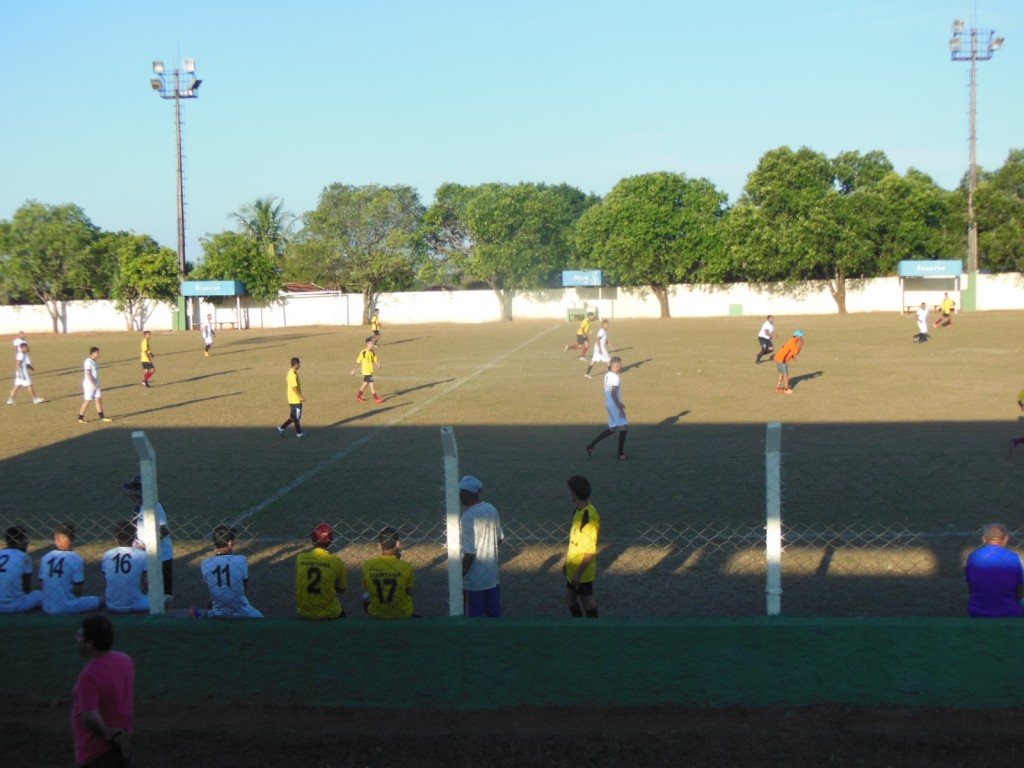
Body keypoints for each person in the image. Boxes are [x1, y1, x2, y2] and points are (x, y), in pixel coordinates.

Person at [72, 615, 134, 768]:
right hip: (123, 742)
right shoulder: (125, 660)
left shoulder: (89, 675)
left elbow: (90, 717)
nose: (76, 639)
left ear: (89, 643)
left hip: (96, 750)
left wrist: (108, 735)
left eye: (79, 636)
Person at [459, 475, 504, 618]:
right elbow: (499, 539)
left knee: (475, 617)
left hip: (474, 580)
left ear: (467, 493)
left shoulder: (467, 516)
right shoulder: (490, 508)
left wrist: (459, 576)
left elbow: (470, 554)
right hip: (491, 574)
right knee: (494, 614)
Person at [123, 477, 174, 603]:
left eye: (133, 491)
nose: (131, 495)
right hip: (147, 557)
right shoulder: (138, 508)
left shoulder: (155, 507)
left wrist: (147, 545)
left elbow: (164, 531)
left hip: (161, 557)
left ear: (140, 493)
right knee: (149, 591)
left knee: (164, 594)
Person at [197, 525, 263, 618]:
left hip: (217, 613)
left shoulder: (205, 564)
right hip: (242, 612)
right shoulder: (241, 560)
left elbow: (214, 587)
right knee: (262, 619)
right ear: (230, 542)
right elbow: (244, 588)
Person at [39, 523, 103, 615]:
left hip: (46, 606)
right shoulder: (76, 558)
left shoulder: (46, 557)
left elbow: (42, 586)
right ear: (72, 539)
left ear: (57, 539)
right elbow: (77, 590)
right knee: (100, 601)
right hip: (68, 607)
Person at [965, 523, 1024, 618]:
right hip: (1009, 612)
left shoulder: (973, 557)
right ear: (1006, 538)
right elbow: (1020, 591)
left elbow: (971, 587)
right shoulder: (1014, 558)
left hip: (977, 612)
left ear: (984, 539)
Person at [564, 475, 600, 618]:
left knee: (587, 600)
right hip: (573, 567)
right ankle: (580, 626)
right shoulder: (578, 511)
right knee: (570, 599)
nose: (569, 494)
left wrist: (578, 574)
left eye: (571, 491)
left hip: (582, 572)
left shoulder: (589, 517)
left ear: (576, 494)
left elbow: (589, 551)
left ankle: (593, 629)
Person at [295, 523, 348, 620]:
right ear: (331, 540)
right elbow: (342, 589)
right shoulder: (336, 561)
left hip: (305, 611)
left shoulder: (301, 558)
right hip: (330, 611)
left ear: (313, 539)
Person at [361, 526, 415, 619]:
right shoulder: (406, 566)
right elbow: (408, 591)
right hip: (402, 614)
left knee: (365, 595)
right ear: (398, 544)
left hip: (377, 614)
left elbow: (367, 588)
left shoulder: (368, 565)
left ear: (379, 545)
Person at [102, 521, 150, 614]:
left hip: (111, 604)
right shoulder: (142, 554)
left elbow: (107, 580)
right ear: (133, 538)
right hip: (135, 604)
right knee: (167, 599)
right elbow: (147, 583)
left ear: (116, 539)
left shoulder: (107, 554)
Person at [586, 356, 629, 460]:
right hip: (614, 405)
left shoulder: (608, 375)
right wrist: (620, 409)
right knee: (623, 427)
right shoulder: (616, 378)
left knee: (612, 429)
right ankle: (620, 454)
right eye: (620, 364)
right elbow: (614, 393)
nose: (621, 366)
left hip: (609, 404)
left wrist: (620, 402)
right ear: (617, 366)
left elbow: (611, 393)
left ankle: (591, 445)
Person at [0, 525, 43, 614]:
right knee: (41, 594)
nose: (27, 541)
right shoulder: (24, 557)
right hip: (14, 606)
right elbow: (26, 588)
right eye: (24, 539)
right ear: (17, 541)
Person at [78, 347, 112, 424]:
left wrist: (97, 384)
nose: (99, 354)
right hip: (90, 385)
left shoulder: (94, 361)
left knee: (98, 399)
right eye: (97, 353)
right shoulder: (88, 362)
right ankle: (80, 417)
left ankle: (102, 417)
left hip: (96, 384)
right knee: (88, 400)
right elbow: (88, 374)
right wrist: (93, 385)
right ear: (93, 353)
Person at [277, 357, 306, 438]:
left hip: (293, 399)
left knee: (294, 417)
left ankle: (282, 428)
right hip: (295, 399)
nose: (300, 365)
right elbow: (294, 387)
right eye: (299, 363)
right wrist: (300, 397)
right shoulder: (292, 374)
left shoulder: (292, 372)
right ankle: (298, 433)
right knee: (295, 417)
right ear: (295, 364)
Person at [352, 336, 384, 404]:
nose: (373, 345)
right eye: (371, 343)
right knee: (372, 384)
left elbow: (374, 359)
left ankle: (358, 397)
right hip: (366, 371)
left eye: (372, 343)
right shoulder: (363, 352)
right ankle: (376, 398)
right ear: (368, 344)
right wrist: (353, 370)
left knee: (365, 384)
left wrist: (378, 364)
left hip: (370, 371)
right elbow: (358, 361)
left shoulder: (372, 351)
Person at [773, 330, 805, 394]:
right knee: (785, 375)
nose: (802, 338)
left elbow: (785, 347)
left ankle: (778, 389)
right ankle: (786, 389)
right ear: (797, 336)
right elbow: (796, 352)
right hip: (782, 359)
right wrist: (801, 344)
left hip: (778, 358)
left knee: (781, 374)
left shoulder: (792, 340)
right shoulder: (793, 342)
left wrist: (792, 357)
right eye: (801, 336)